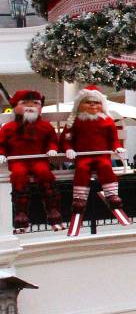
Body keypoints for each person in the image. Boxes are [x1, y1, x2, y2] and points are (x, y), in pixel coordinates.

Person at [0, 89, 63, 232]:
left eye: (35, 103)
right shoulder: (9, 128)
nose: (30, 106)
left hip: (38, 160)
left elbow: (52, 140)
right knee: (18, 175)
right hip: (18, 161)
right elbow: (1, 143)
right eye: (25, 103)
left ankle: (53, 212)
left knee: (45, 174)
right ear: (16, 106)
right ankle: (21, 214)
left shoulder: (45, 126)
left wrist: (52, 148)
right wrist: (1, 153)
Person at [60, 85, 126, 215]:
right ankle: (79, 199)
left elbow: (114, 139)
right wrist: (69, 149)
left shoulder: (108, 121)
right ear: (80, 104)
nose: (92, 105)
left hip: (102, 156)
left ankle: (112, 195)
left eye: (96, 102)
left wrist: (117, 147)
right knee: (81, 169)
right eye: (88, 102)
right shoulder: (74, 121)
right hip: (83, 156)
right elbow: (66, 139)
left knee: (106, 167)